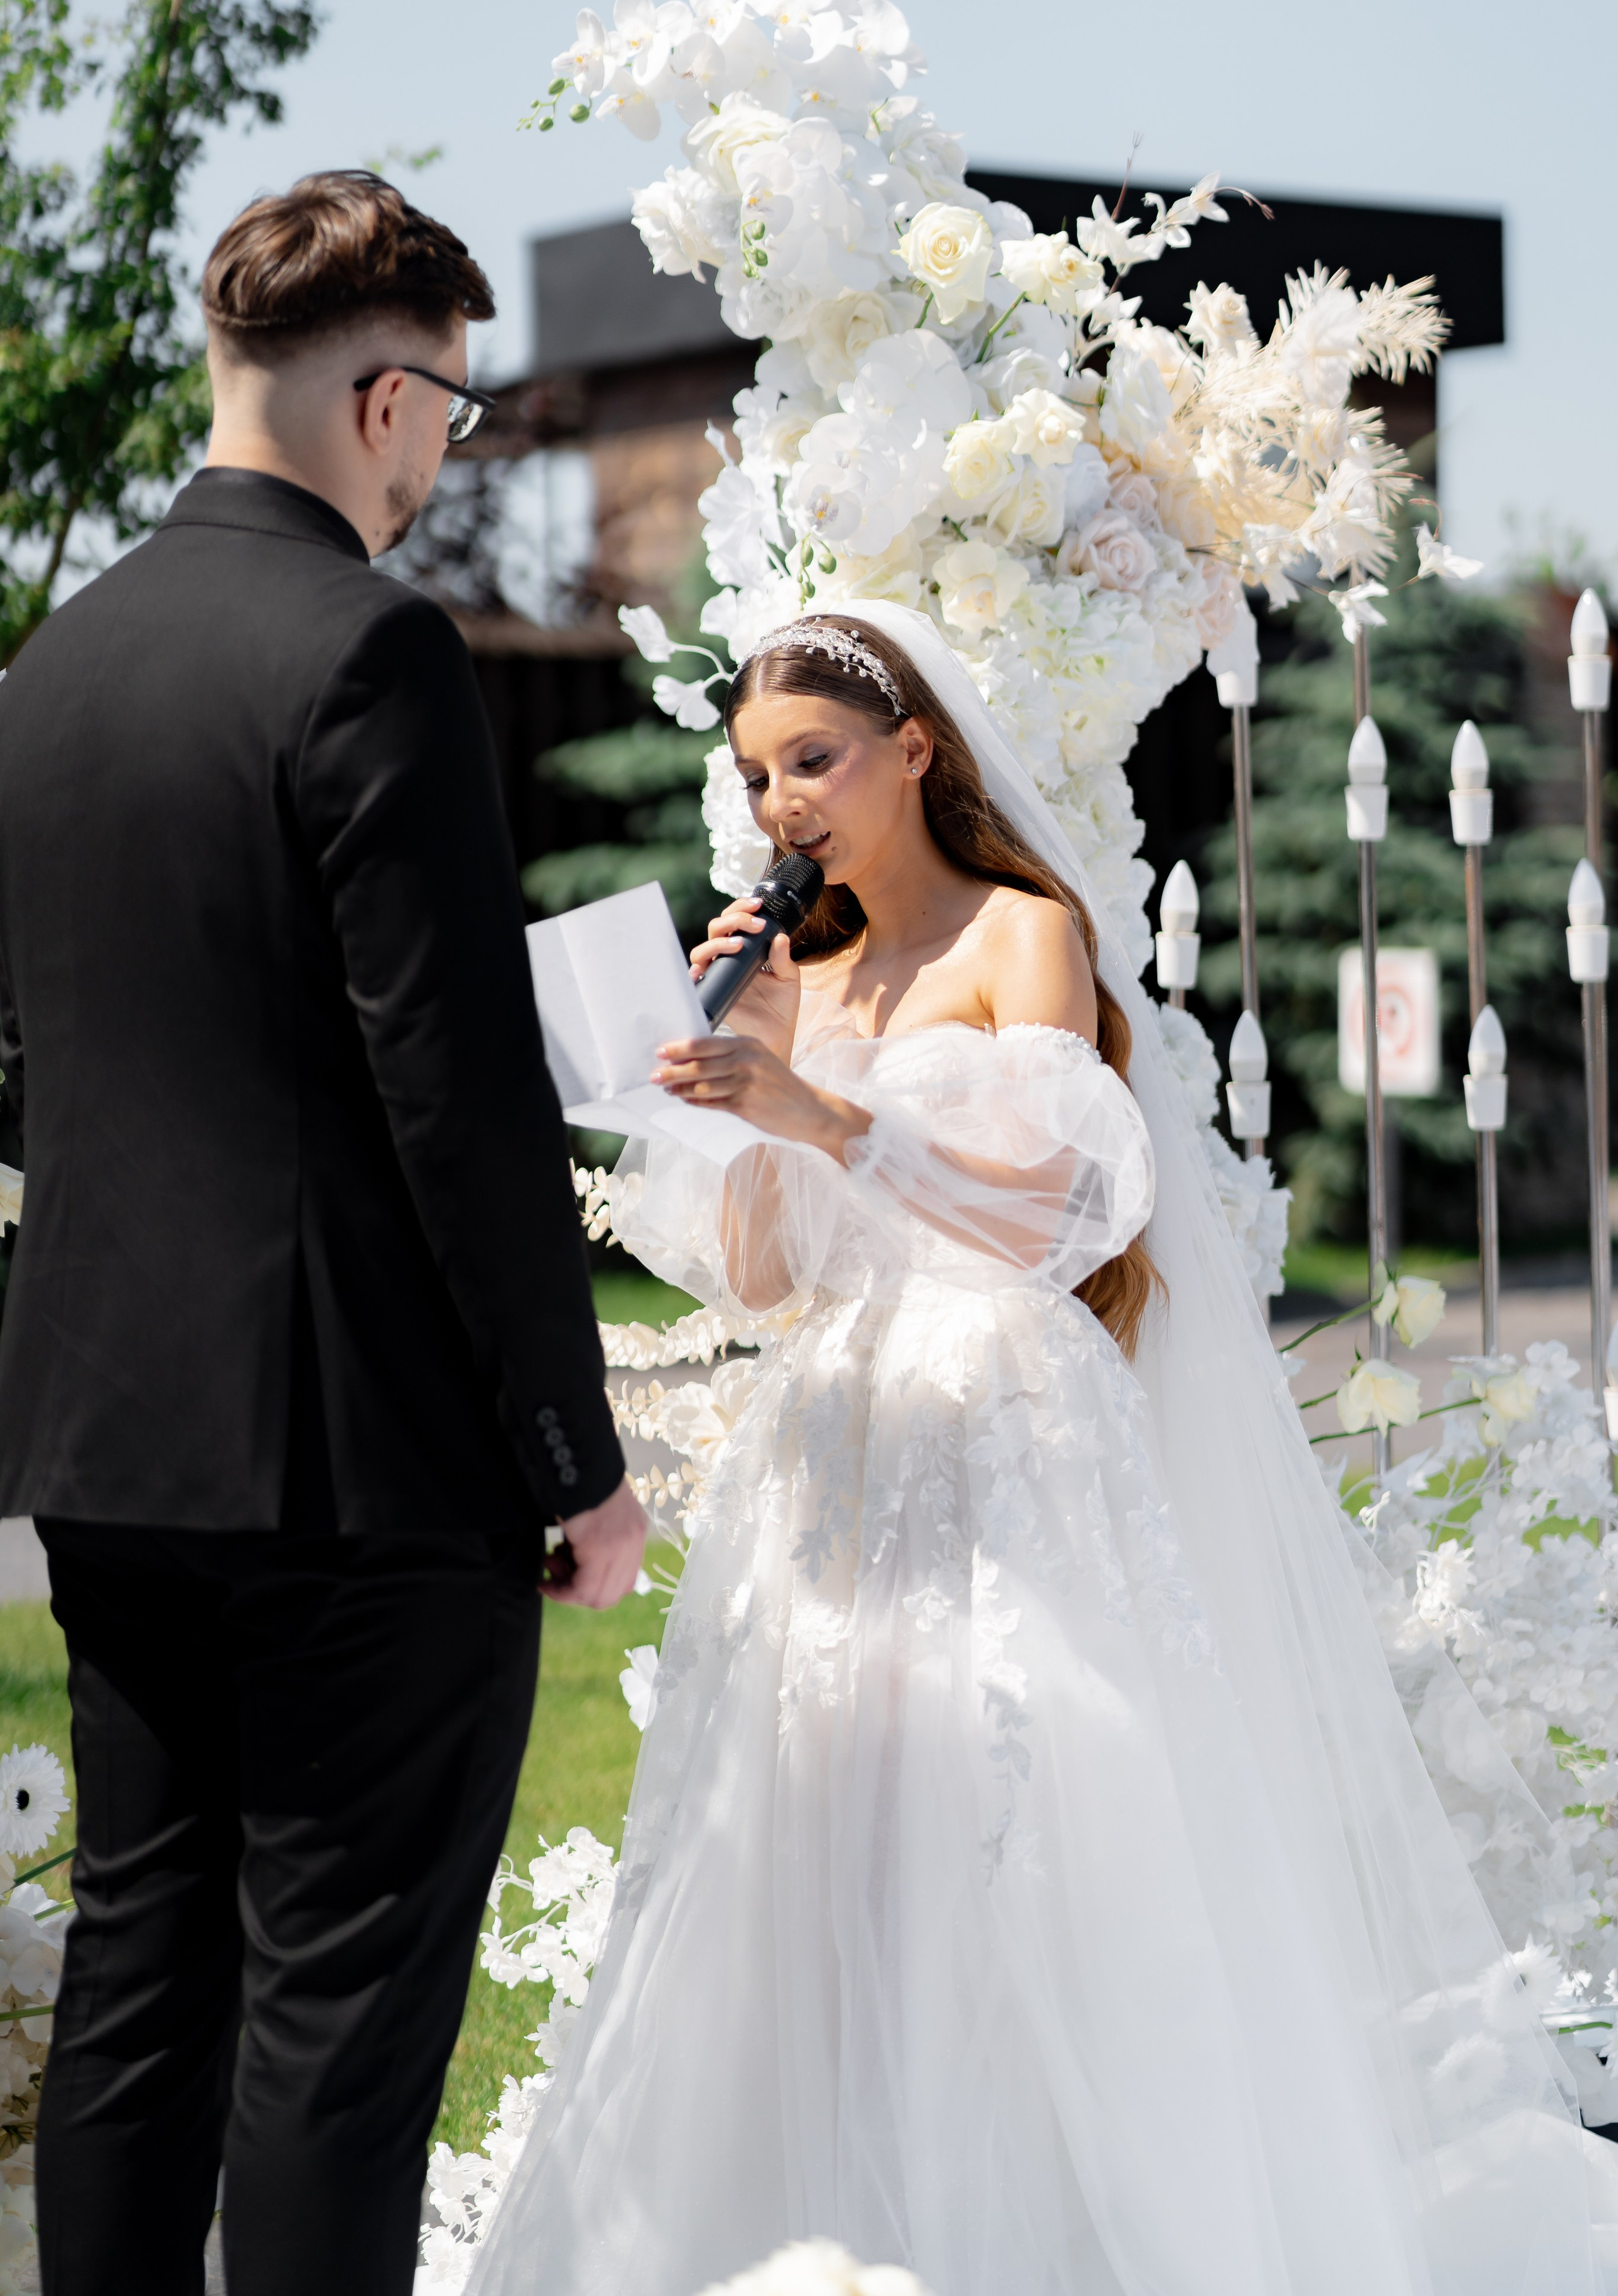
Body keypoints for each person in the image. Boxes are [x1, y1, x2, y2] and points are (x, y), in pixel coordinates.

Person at [466, 606, 1605, 2296]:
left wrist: (829, 1114)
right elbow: (768, 1276)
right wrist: (763, 1061)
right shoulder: (807, 976)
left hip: (1004, 1417)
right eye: (757, 776)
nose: (782, 804)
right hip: (840, 1441)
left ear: (914, 748)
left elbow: (1060, 1217)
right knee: (818, 1830)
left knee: (1029, 1811)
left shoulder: (1027, 936)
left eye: (812, 760)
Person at [0, 170, 645, 2296]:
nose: (442, 458)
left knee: (141, 1976)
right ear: (384, 401)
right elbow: (457, 1101)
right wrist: (573, 1456)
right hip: (359, 1466)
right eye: (451, 414)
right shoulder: (370, 647)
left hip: (110, 1440)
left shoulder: (51, 668)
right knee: (338, 2036)